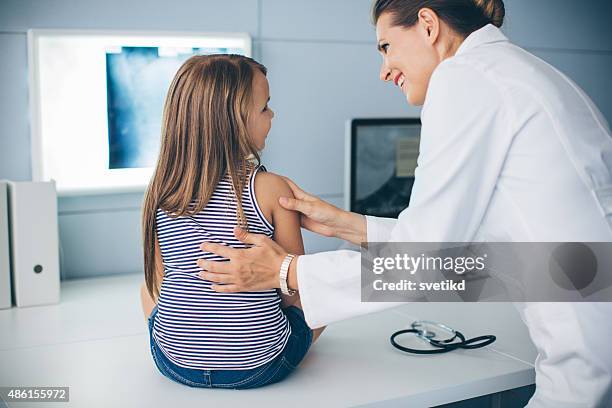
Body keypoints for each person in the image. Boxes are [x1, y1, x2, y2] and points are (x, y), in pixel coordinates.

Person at [195, 0, 612, 406]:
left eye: (385, 46)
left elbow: (430, 259)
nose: (383, 71)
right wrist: (346, 225)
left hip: (589, 345)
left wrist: (287, 270)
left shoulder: (464, 78)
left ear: (428, 25)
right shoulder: (514, 72)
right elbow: (472, 253)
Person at [139, 54, 324, 390]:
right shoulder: (271, 189)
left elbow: (157, 282)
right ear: (235, 120)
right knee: (317, 306)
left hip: (173, 363)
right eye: (265, 107)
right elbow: (295, 289)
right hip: (260, 367)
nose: (273, 115)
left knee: (147, 290)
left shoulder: (161, 194)